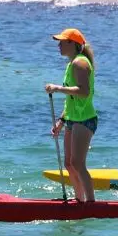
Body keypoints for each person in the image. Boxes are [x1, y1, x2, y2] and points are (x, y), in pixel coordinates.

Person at [43, 28, 98, 203]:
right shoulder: (70, 64)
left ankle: (91, 203)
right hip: (72, 119)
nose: (58, 45)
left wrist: (58, 88)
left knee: (78, 163)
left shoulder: (80, 63)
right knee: (69, 163)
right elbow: (71, 100)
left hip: (85, 119)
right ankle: (79, 199)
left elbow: (84, 91)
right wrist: (61, 121)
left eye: (62, 42)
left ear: (72, 44)